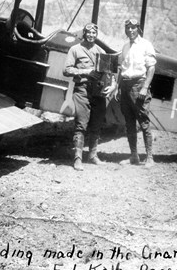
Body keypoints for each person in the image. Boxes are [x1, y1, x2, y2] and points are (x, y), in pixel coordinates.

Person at [63, 23, 115, 171]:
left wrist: (112, 86)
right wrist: (86, 72)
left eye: (94, 33)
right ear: (84, 33)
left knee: (97, 125)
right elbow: (66, 70)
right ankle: (78, 159)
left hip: (98, 92)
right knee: (81, 125)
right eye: (89, 32)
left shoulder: (101, 51)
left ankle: (92, 156)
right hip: (82, 90)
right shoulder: (75, 49)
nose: (91, 35)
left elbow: (111, 75)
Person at [116, 18, 157, 167]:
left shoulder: (146, 45)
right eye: (128, 28)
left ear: (138, 29)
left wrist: (145, 87)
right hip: (125, 86)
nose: (131, 30)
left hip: (139, 85)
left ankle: (150, 158)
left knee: (143, 122)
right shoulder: (125, 46)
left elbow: (151, 68)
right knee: (129, 123)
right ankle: (134, 156)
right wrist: (117, 87)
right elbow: (122, 70)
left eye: (133, 28)